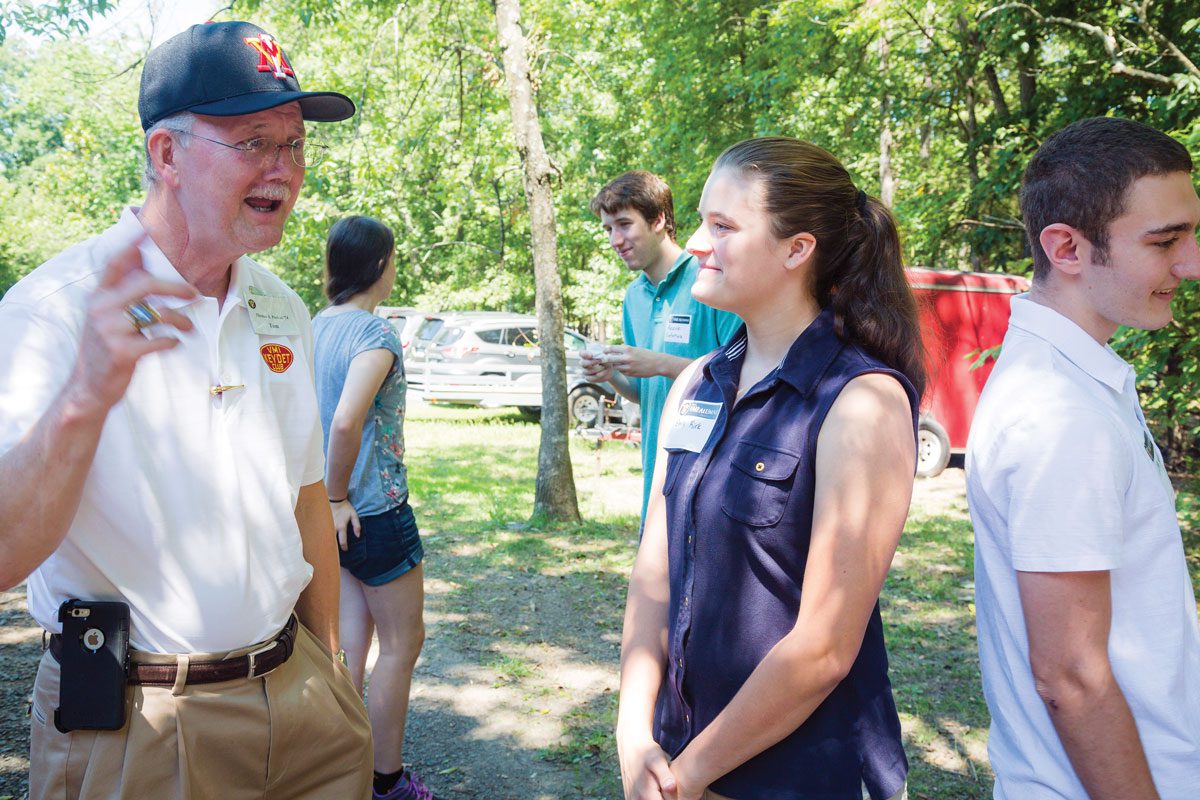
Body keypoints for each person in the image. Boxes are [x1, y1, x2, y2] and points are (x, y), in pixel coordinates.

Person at [0, 21, 374, 798]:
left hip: (302, 705)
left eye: (296, 143)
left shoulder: (280, 308)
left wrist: (330, 667)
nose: (287, 168)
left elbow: (306, 496)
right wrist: (84, 398)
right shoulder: (53, 313)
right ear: (166, 156)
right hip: (142, 722)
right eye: (254, 142)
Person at [617, 137, 924, 800]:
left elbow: (824, 646)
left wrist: (689, 776)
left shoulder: (862, 402)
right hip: (676, 756)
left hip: (806, 777)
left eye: (723, 226)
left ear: (797, 249)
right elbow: (653, 579)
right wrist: (633, 735)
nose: (697, 242)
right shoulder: (695, 384)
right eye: (701, 220)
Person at [966, 117, 1200, 799]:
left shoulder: (1075, 381)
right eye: (1165, 242)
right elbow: (1070, 677)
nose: (1190, 264)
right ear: (1066, 247)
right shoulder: (1059, 415)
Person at [313, 216, 433, 800]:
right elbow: (345, 419)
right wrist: (339, 497)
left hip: (327, 514)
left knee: (351, 644)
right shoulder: (374, 334)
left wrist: (326, 500)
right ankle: (386, 782)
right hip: (372, 512)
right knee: (404, 642)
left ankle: (340, 777)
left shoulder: (312, 328)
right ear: (380, 265)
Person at [584, 171, 741, 520]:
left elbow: (742, 377)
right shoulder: (633, 297)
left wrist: (657, 362)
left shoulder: (708, 278)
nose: (614, 239)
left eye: (624, 224)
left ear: (659, 220)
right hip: (657, 472)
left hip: (714, 473)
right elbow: (645, 393)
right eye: (607, 229)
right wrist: (609, 374)